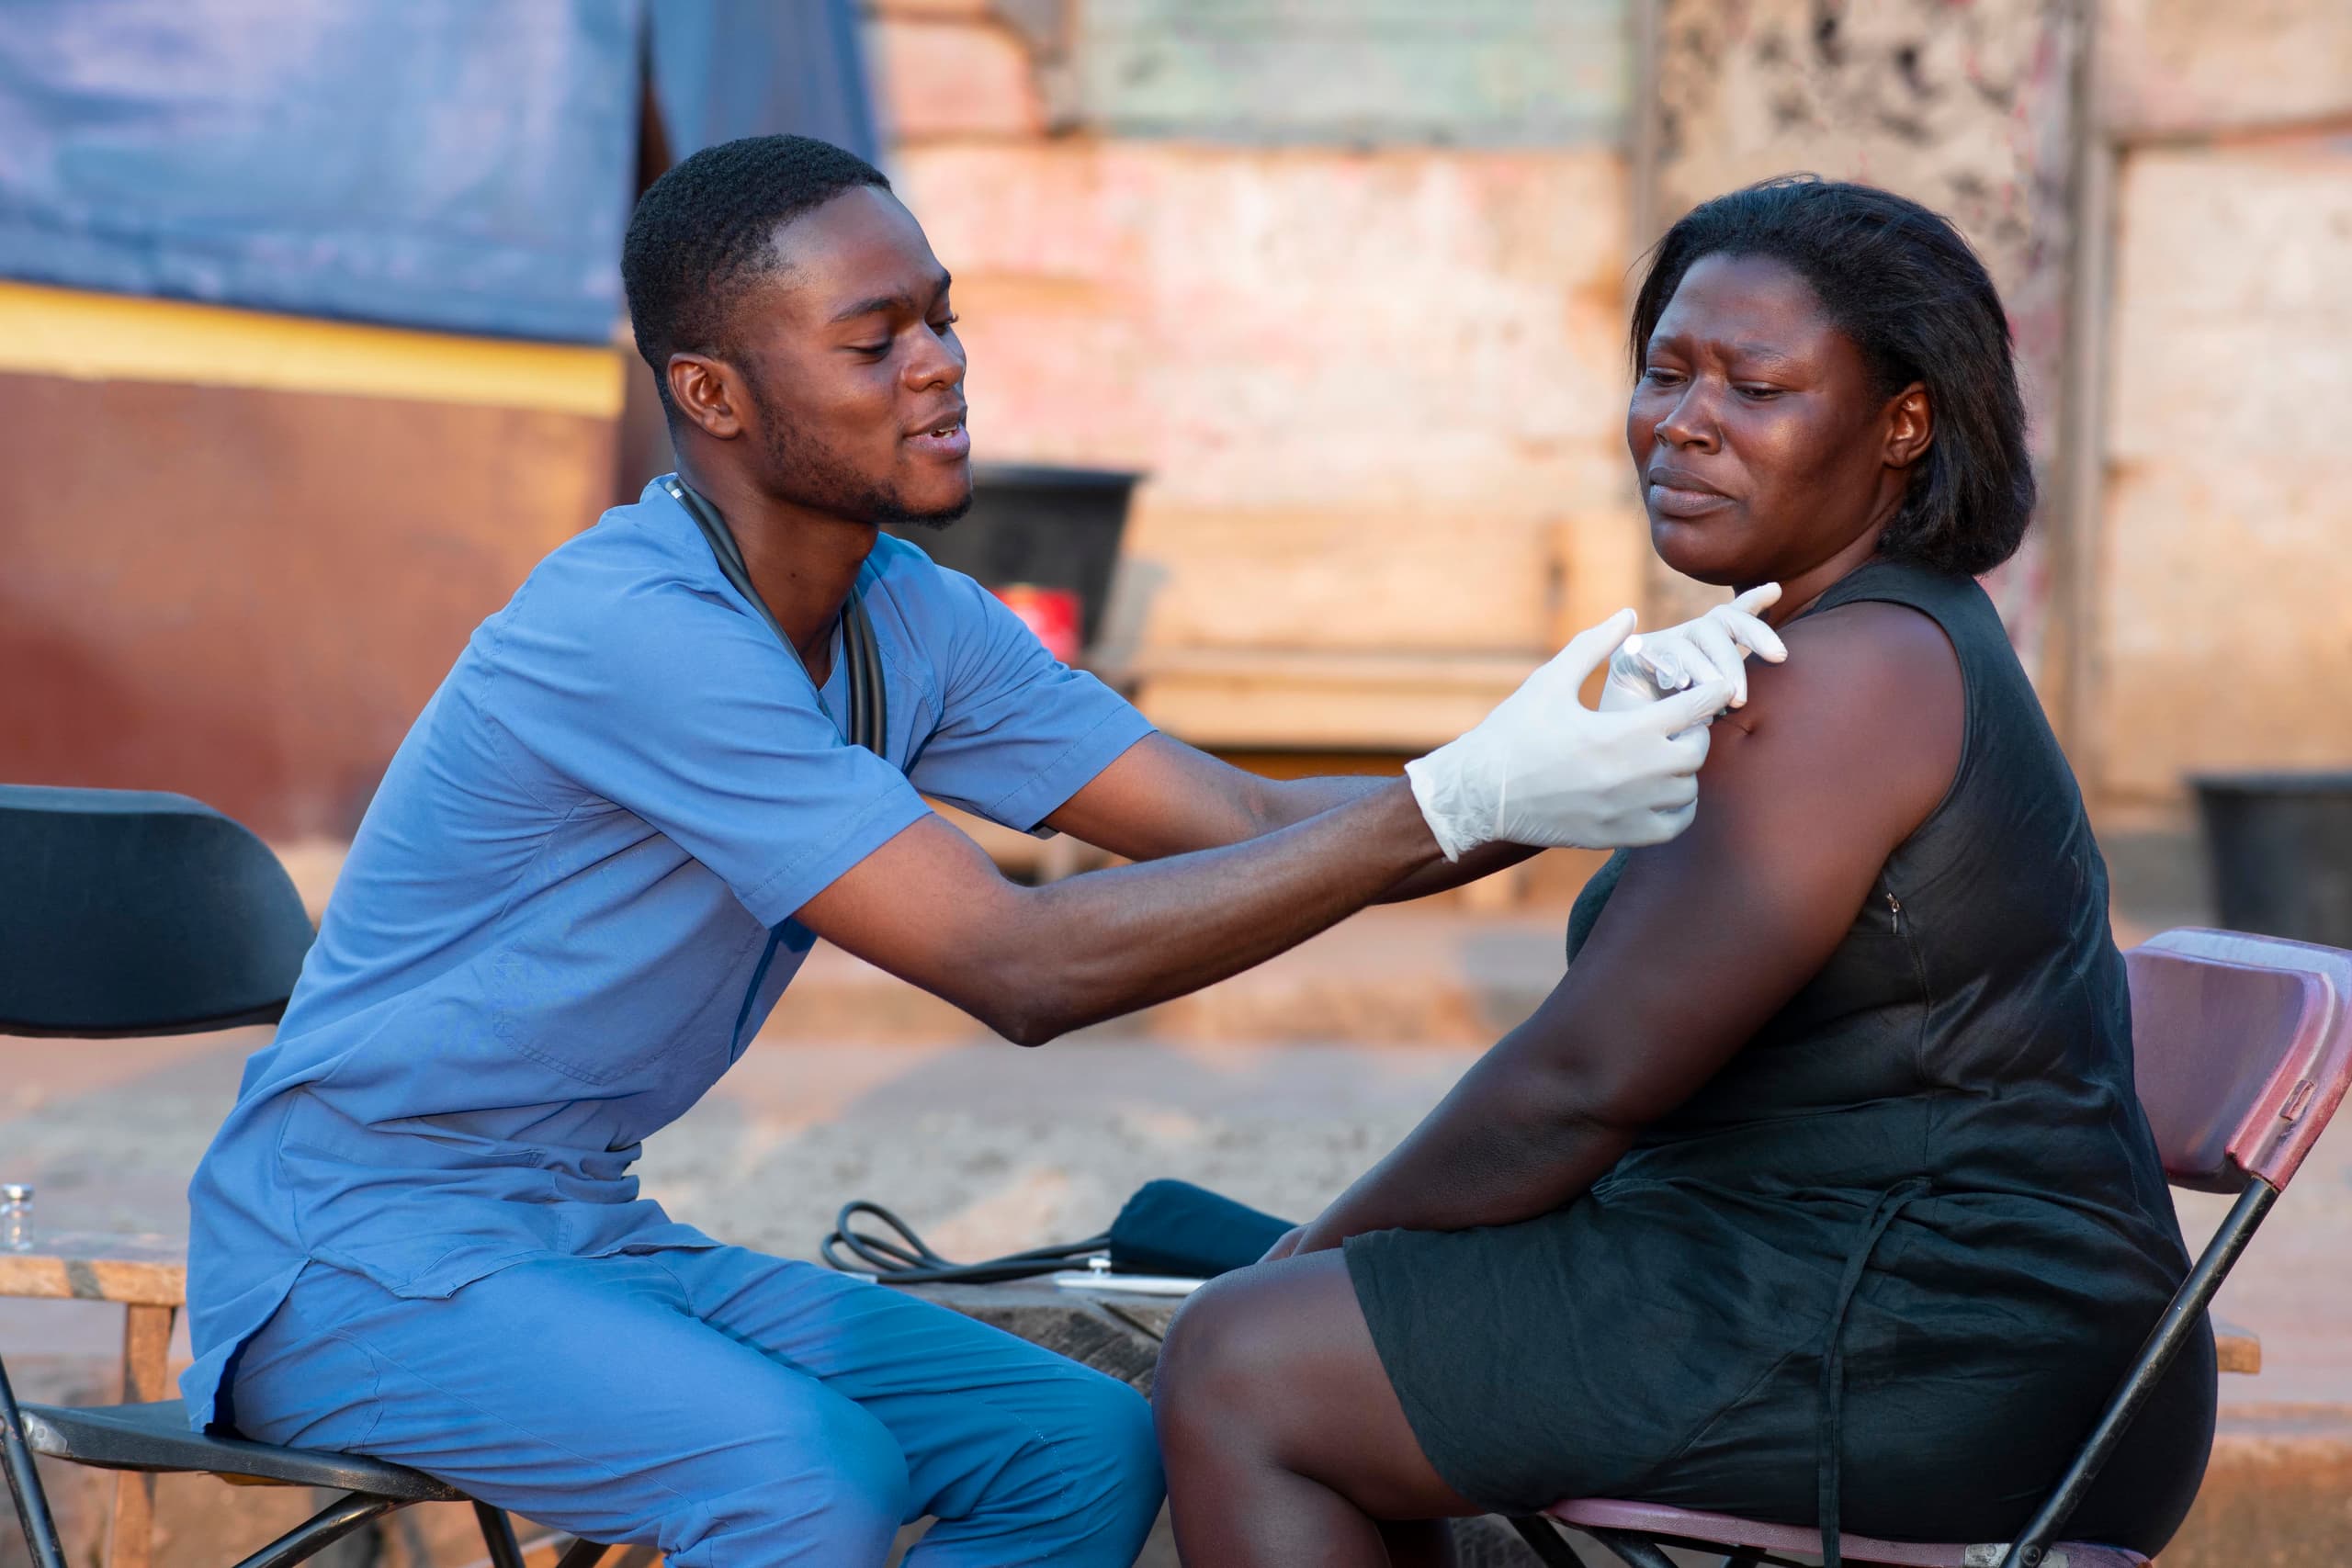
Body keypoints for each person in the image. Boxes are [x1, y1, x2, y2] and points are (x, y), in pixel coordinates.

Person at [178, 136, 1771, 1568]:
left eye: (942, 320)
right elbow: (1021, 969)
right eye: (875, 343)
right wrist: (1468, 800)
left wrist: (1555, 755)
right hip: (353, 1259)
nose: (939, 369)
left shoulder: (904, 617)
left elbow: (1246, 826)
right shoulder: (635, 633)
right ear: (712, 395)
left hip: (576, 1232)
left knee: (1081, 1451)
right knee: (801, 1486)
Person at [1151, 176, 2218, 1568]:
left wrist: (1301, 1268)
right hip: (1873, 1292)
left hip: (1944, 1341)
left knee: (1244, 1359)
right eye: (1665, 370)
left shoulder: (1855, 678)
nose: (1684, 422)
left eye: (1754, 388)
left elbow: (1578, 1089)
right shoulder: (1843, 648)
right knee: (1296, 1306)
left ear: (1902, 427)